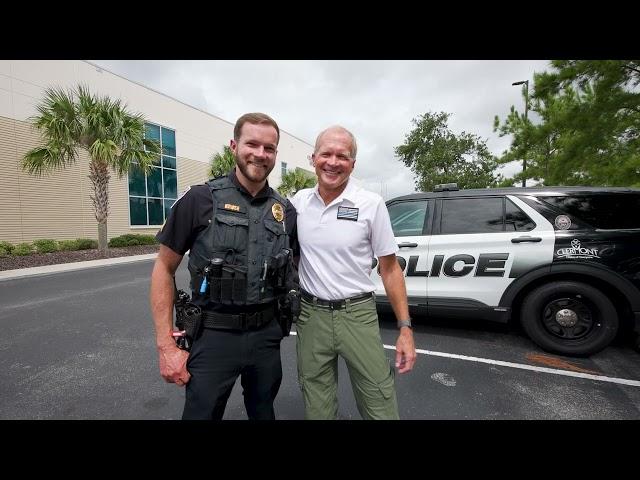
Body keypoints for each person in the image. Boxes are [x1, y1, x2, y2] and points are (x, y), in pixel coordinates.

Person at [150, 112, 297, 420]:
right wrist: (166, 347)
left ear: (275, 154)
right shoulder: (200, 199)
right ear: (234, 146)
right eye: (251, 144)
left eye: (268, 148)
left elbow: (290, 268)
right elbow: (164, 268)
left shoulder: (285, 211)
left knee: (263, 412)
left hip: (266, 337)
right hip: (214, 336)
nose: (260, 153)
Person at [291, 125, 416, 420]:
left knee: (379, 400)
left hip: (357, 315)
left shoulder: (370, 205)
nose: (333, 162)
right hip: (311, 316)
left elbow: (390, 269)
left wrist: (405, 329)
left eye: (342, 156)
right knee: (316, 404)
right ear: (313, 158)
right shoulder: (298, 203)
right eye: (326, 154)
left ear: (353, 164)